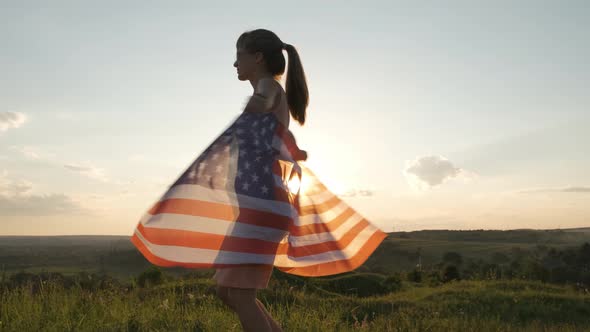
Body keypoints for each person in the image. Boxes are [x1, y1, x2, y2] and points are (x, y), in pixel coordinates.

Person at [212, 28, 308, 332]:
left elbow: (265, 100)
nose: (234, 64)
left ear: (257, 57)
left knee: (240, 294)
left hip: (264, 208)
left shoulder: (267, 86)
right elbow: (284, 136)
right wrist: (294, 151)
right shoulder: (273, 94)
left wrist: (252, 109)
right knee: (226, 291)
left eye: (238, 56)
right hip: (259, 207)